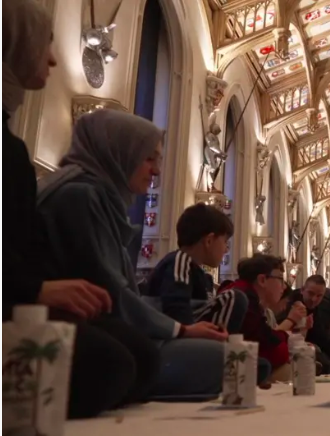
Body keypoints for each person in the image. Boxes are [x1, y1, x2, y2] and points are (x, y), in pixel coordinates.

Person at [36, 109, 269, 398]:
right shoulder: (80, 197)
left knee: (243, 362)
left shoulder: (102, 202)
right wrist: (181, 330)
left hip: (123, 330)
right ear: (118, 152)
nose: (156, 171)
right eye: (149, 158)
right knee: (240, 363)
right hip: (86, 334)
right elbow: (112, 294)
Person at [3, 0, 159, 419]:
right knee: (113, 362)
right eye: (44, 43)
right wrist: (34, 290)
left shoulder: (12, 147)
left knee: (132, 356)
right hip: (16, 302)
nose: (53, 58)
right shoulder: (78, 195)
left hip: (19, 298)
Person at [146, 203, 247, 332]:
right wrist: (188, 331)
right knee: (233, 298)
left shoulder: (203, 276)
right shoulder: (180, 260)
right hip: (176, 336)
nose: (226, 249)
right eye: (225, 242)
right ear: (209, 241)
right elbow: (176, 306)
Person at [219, 255, 305, 383]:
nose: (284, 287)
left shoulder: (246, 297)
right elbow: (266, 346)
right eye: (280, 279)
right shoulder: (242, 299)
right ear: (262, 280)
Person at [279, 275, 330, 373]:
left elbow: (321, 336)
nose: (314, 299)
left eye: (319, 296)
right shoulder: (290, 303)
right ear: (302, 290)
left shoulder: (315, 309)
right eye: (310, 293)